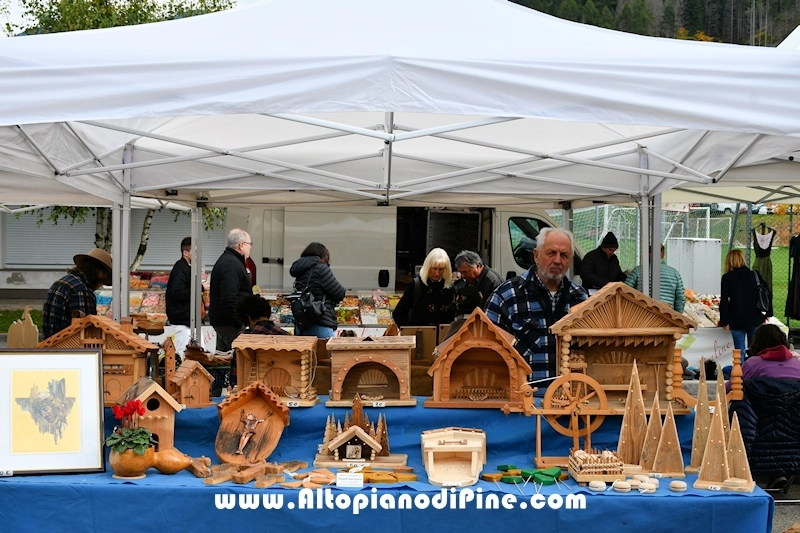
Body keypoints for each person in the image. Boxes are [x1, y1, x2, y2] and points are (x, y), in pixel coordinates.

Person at [486, 227, 588, 379]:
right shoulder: (506, 297)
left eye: (564, 255)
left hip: (571, 392)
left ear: (571, 259)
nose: (557, 260)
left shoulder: (580, 298)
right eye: (551, 253)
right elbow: (487, 352)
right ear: (536, 255)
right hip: (526, 393)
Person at [42, 247, 113, 339]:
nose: (101, 285)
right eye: (103, 279)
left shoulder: (61, 282)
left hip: (49, 344)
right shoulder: (82, 290)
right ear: (99, 272)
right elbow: (87, 334)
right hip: (67, 346)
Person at [209, 229, 254, 352]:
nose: (250, 248)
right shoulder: (231, 264)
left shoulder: (231, 261)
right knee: (240, 357)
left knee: (223, 357)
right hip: (229, 323)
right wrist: (238, 323)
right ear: (241, 245)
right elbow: (229, 298)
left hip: (224, 321)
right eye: (249, 244)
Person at [289, 242, 346, 338]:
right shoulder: (321, 269)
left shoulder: (300, 270)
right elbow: (339, 293)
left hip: (302, 325)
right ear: (323, 256)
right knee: (326, 348)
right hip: (320, 323)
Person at [720, 249, 771, 354]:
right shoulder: (754, 275)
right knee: (755, 350)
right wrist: (768, 313)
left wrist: (724, 321)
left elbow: (724, 301)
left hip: (736, 319)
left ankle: (742, 365)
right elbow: (767, 293)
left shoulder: (727, 278)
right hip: (755, 317)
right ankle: (754, 364)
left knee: (739, 352)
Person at [443, 250, 503, 338]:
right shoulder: (467, 280)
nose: (463, 276)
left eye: (465, 272)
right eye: (461, 272)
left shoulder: (493, 281)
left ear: (478, 266)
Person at [726, 324, 800, 392]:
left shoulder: (752, 364)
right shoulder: (797, 365)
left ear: (756, 342)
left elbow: (728, 388)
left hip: (758, 402)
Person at [392, 248, 455, 327]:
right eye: (434, 268)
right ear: (428, 267)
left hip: (443, 334)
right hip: (419, 333)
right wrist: (410, 330)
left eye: (441, 269)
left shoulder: (449, 288)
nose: (437, 273)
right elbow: (398, 313)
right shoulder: (416, 285)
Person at [165, 236, 204, 358]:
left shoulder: (186, 268)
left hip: (188, 320)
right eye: (195, 251)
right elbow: (178, 292)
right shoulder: (181, 268)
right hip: (183, 320)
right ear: (185, 253)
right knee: (185, 355)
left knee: (198, 354)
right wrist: (200, 288)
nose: (198, 254)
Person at [624, 244, 686, 312]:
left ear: (648, 254)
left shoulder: (638, 270)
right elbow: (680, 299)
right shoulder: (675, 273)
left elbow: (625, 290)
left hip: (642, 313)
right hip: (666, 314)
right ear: (663, 254)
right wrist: (676, 315)